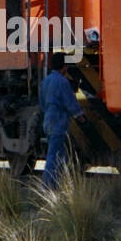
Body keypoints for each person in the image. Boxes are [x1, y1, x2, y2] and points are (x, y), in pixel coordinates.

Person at [39, 52, 86, 190]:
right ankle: (47, 187)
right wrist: (81, 117)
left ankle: (59, 185)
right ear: (64, 67)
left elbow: (41, 104)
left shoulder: (45, 81)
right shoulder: (62, 82)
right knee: (54, 156)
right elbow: (70, 103)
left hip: (47, 121)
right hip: (58, 122)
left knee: (60, 156)